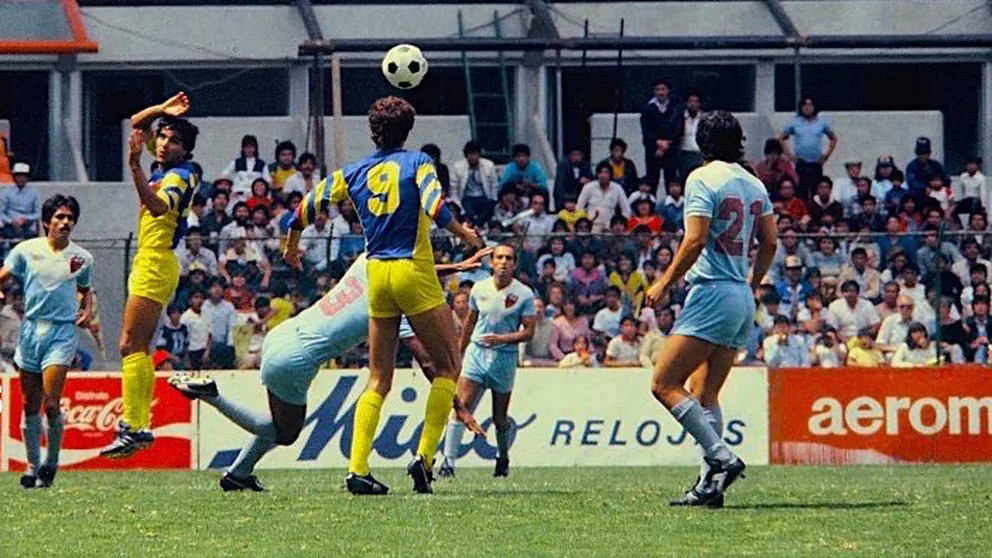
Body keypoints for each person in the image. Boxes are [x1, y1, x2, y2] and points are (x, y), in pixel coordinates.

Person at [282, 96, 482, 495]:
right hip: (412, 270)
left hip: (376, 274)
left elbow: (302, 210)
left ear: (372, 131)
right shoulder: (418, 163)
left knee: (378, 377)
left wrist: (291, 245)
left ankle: (357, 468)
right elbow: (437, 208)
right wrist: (465, 235)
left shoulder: (352, 172)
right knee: (448, 367)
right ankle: (424, 459)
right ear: (408, 131)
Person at [169, 251, 488, 491]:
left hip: (283, 335)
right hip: (298, 358)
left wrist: (454, 269)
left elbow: (414, 270)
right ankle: (213, 396)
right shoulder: (394, 300)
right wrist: (459, 407)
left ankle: (238, 475)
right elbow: (430, 363)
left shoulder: (369, 259)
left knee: (280, 421)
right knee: (285, 433)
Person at [643, 110, 776, 507]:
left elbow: (696, 239)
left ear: (700, 144)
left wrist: (665, 281)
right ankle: (709, 487)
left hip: (713, 290)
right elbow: (769, 243)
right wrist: (751, 286)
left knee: (663, 383)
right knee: (706, 393)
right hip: (740, 294)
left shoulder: (702, 177)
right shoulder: (754, 184)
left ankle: (722, 457)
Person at [102, 92, 198, 458]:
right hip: (151, 260)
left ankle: (135, 424)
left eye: (173, 140)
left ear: (184, 150)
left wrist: (134, 165)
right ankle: (136, 425)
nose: (163, 143)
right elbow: (136, 122)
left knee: (130, 344)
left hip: (156, 261)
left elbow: (158, 208)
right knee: (135, 346)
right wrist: (161, 110)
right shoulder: (164, 170)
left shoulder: (180, 176)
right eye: (162, 136)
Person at [0, 195, 92, 488]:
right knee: (30, 403)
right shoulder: (26, 250)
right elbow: (3, 276)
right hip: (30, 331)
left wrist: (85, 309)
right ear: (46, 222)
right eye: (60, 217)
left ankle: (50, 464)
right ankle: (31, 466)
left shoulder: (82, 258)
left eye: (70, 218)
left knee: (51, 404)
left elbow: (84, 289)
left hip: (61, 333)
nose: (65, 222)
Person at [438, 245, 535, 478]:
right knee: (461, 405)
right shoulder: (479, 288)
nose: (504, 262)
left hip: (504, 357)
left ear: (515, 264)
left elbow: (529, 331)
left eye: (509, 258)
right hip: (477, 353)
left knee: (500, 417)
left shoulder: (524, 294)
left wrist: (502, 338)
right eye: (499, 257)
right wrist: (458, 353)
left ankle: (502, 457)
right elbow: (470, 322)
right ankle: (448, 462)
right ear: (491, 262)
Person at [778, 96, 838, 200]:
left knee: (816, 191)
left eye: (810, 105)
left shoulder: (821, 122)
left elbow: (833, 138)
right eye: (805, 105)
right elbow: (781, 138)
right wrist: (790, 156)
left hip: (816, 163)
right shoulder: (796, 122)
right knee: (801, 191)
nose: (807, 107)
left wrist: (826, 155)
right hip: (801, 162)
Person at [639, 78, 682, 189]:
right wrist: (657, 143)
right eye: (657, 89)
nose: (660, 92)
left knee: (671, 181)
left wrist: (666, 145)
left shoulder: (675, 108)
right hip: (653, 151)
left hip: (671, 150)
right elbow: (646, 130)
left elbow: (677, 129)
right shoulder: (647, 108)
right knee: (652, 181)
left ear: (668, 91)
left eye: (663, 89)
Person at [449, 140, 499, 225]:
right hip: (467, 198)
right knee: (469, 214)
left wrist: (493, 201)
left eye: (475, 154)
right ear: (466, 155)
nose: (472, 157)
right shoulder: (458, 167)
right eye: (470, 154)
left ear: (479, 154)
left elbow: (494, 186)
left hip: (484, 198)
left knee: (486, 212)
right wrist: (459, 206)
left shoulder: (489, 165)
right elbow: (454, 190)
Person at [577, 162, 631, 232]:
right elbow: (579, 207)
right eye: (600, 172)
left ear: (610, 174)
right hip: (591, 227)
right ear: (597, 174)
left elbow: (626, 210)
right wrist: (585, 225)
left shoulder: (617, 188)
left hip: (610, 228)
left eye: (606, 172)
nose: (603, 175)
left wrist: (620, 225)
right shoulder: (588, 187)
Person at [221, 134, 269, 200]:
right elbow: (224, 176)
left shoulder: (262, 164)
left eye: (252, 147)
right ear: (243, 148)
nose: (249, 150)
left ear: (256, 148)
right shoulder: (235, 162)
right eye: (247, 147)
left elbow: (267, 180)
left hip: (255, 197)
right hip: (238, 196)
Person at [5, 162, 41, 240]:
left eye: (24, 176)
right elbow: (1, 213)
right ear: (14, 177)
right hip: (10, 226)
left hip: (27, 226)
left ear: (27, 177)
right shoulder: (6, 192)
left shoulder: (34, 193)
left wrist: (26, 219)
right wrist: (11, 221)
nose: (21, 179)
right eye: (18, 176)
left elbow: (38, 213)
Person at [521, 297, 556, 366]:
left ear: (544, 309)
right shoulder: (525, 326)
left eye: (540, 307)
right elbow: (522, 347)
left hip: (548, 360)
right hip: (530, 360)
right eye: (535, 307)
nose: (537, 310)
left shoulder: (552, 325)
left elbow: (554, 346)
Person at [181, 289, 210, 370]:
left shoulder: (206, 314)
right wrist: (187, 360)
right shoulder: (186, 317)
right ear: (190, 301)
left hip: (206, 352)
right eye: (196, 297)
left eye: (201, 297)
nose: (199, 300)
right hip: (192, 353)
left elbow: (210, 334)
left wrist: (207, 352)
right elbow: (184, 340)